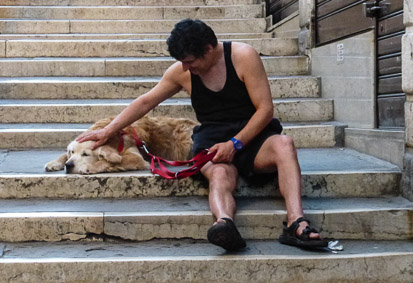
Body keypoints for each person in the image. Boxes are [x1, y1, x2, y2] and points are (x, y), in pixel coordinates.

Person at [77, 19, 328, 251]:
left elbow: (265, 110)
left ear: (209, 48)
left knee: (285, 144)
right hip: (212, 139)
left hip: (253, 135)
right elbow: (145, 102)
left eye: (190, 61)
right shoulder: (182, 71)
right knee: (219, 174)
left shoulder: (243, 56)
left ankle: (296, 223)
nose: (185, 67)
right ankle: (224, 224)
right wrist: (108, 130)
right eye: (182, 62)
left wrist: (236, 143)